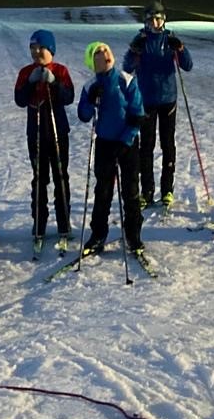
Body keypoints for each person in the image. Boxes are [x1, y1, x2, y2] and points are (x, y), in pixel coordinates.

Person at [76, 41, 146, 257]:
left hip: (127, 144)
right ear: (92, 61)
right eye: (98, 52)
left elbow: (137, 113)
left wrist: (125, 141)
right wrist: (90, 99)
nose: (104, 53)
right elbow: (84, 115)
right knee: (103, 191)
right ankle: (98, 234)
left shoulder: (126, 79)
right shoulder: (91, 85)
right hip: (105, 144)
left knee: (130, 190)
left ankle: (133, 234)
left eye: (106, 50)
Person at [122, 0, 192, 209]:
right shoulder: (141, 39)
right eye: (151, 19)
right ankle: (147, 190)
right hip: (146, 100)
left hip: (168, 98)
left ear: (164, 20)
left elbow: (187, 65)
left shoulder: (170, 38)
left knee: (168, 144)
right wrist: (134, 51)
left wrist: (180, 49)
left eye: (158, 19)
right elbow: (127, 68)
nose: (155, 23)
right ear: (145, 21)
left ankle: (167, 189)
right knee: (146, 146)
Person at [13, 29, 75, 252]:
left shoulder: (61, 70)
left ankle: (64, 223)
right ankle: (39, 223)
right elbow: (20, 99)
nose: (37, 52)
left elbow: (69, 97)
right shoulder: (26, 72)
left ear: (51, 50)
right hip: (36, 132)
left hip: (58, 132)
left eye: (41, 48)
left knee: (60, 177)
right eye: (33, 48)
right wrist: (30, 83)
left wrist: (55, 82)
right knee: (39, 178)